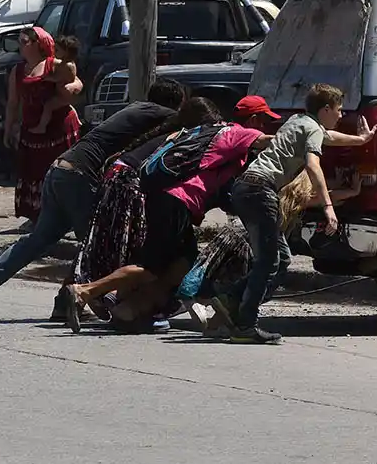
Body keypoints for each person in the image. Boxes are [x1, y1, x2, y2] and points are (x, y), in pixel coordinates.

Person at [0, 78, 186, 321]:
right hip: (80, 176)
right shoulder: (163, 114)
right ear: (174, 103)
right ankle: (80, 299)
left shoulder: (137, 108)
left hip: (60, 168)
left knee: (37, 240)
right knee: (98, 244)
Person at [60, 105, 272, 333]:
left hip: (166, 197)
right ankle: (85, 291)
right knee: (152, 267)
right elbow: (269, 142)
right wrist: (299, 139)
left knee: (184, 261)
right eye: (262, 120)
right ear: (252, 120)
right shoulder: (238, 133)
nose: (264, 126)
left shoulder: (209, 134)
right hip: (177, 201)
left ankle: (129, 309)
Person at [214, 84, 376, 344]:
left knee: (281, 259)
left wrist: (361, 140)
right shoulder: (312, 129)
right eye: (339, 109)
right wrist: (328, 206)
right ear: (326, 109)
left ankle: (230, 300)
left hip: (246, 187)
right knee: (269, 262)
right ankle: (244, 325)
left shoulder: (298, 121)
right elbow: (313, 165)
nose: (341, 115)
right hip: (260, 190)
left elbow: (330, 137)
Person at [71, 97, 222, 294]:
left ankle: (76, 294)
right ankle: (95, 293)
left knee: (102, 244)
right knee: (133, 252)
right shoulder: (186, 139)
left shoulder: (170, 133)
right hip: (130, 184)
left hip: (117, 177)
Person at [5, 27, 82, 222]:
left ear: (38, 44)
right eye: (19, 42)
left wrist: (73, 88)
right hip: (31, 131)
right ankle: (37, 219)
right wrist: (8, 129)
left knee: (58, 174)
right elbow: (13, 103)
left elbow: (76, 81)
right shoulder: (17, 71)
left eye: (25, 42)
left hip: (58, 130)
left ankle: (63, 219)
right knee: (34, 174)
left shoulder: (54, 65)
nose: (20, 46)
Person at [30, 35, 80, 134]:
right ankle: (78, 119)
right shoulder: (64, 63)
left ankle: (42, 127)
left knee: (49, 106)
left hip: (64, 95)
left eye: (57, 50)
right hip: (63, 94)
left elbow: (60, 78)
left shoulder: (68, 65)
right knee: (68, 106)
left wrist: (47, 78)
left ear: (66, 52)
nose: (54, 52)